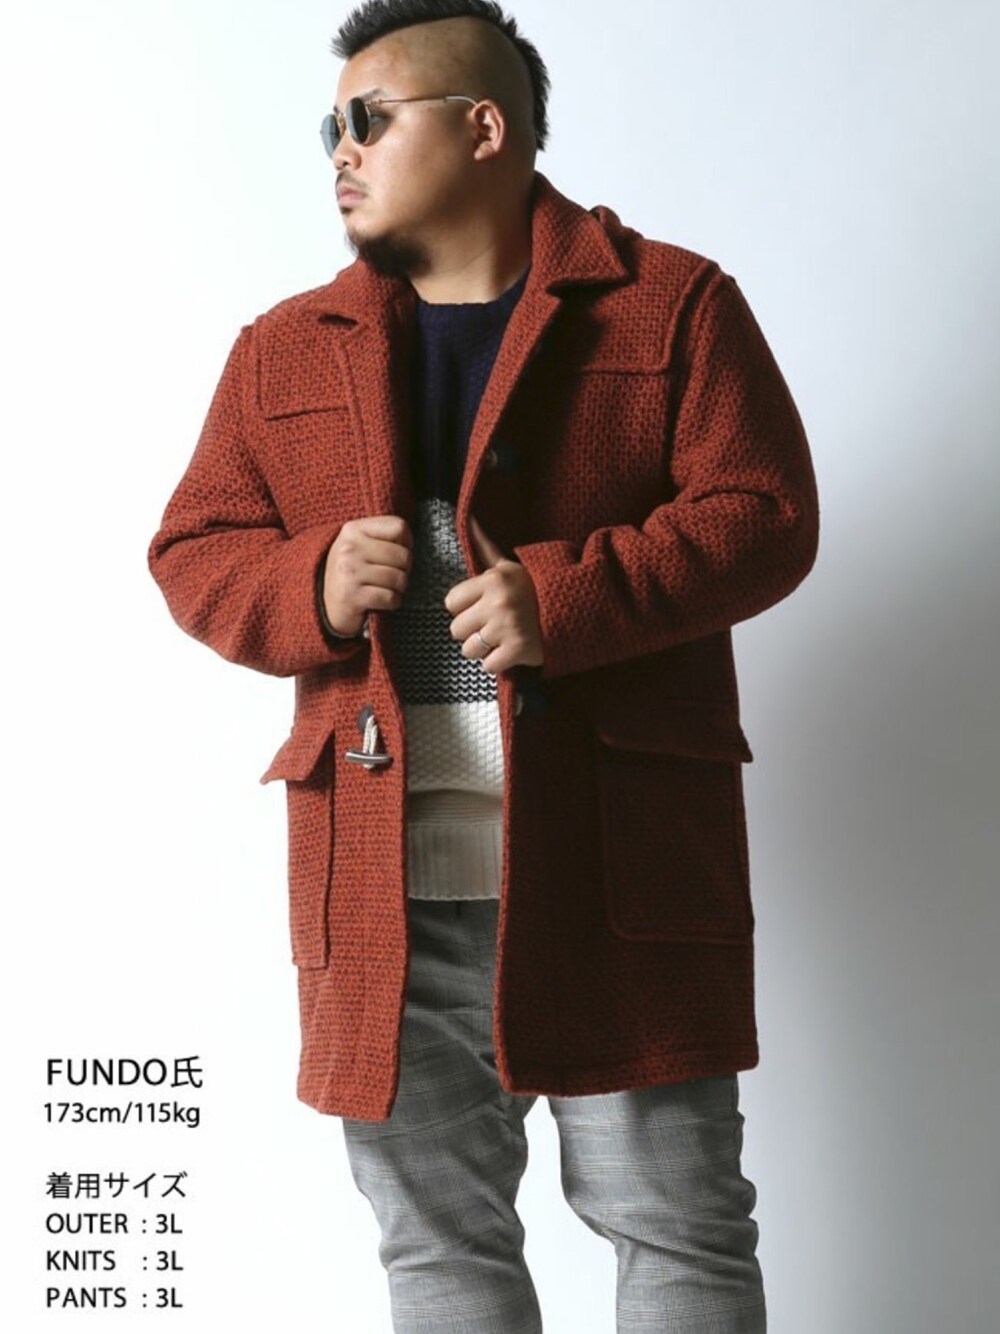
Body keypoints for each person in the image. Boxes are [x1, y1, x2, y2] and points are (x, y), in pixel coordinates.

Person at [148, 1, 819, 1329]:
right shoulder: (283, 347)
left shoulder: (672, 303)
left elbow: (765, 512)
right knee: (437, 1243)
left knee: (676, 1224)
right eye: (329, 128)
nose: (340, 150)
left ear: (484, 128)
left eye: (368, 118)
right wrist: (309, 583)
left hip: (616, 864)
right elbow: (193, 549)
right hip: (376, 884)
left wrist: (567, 599)